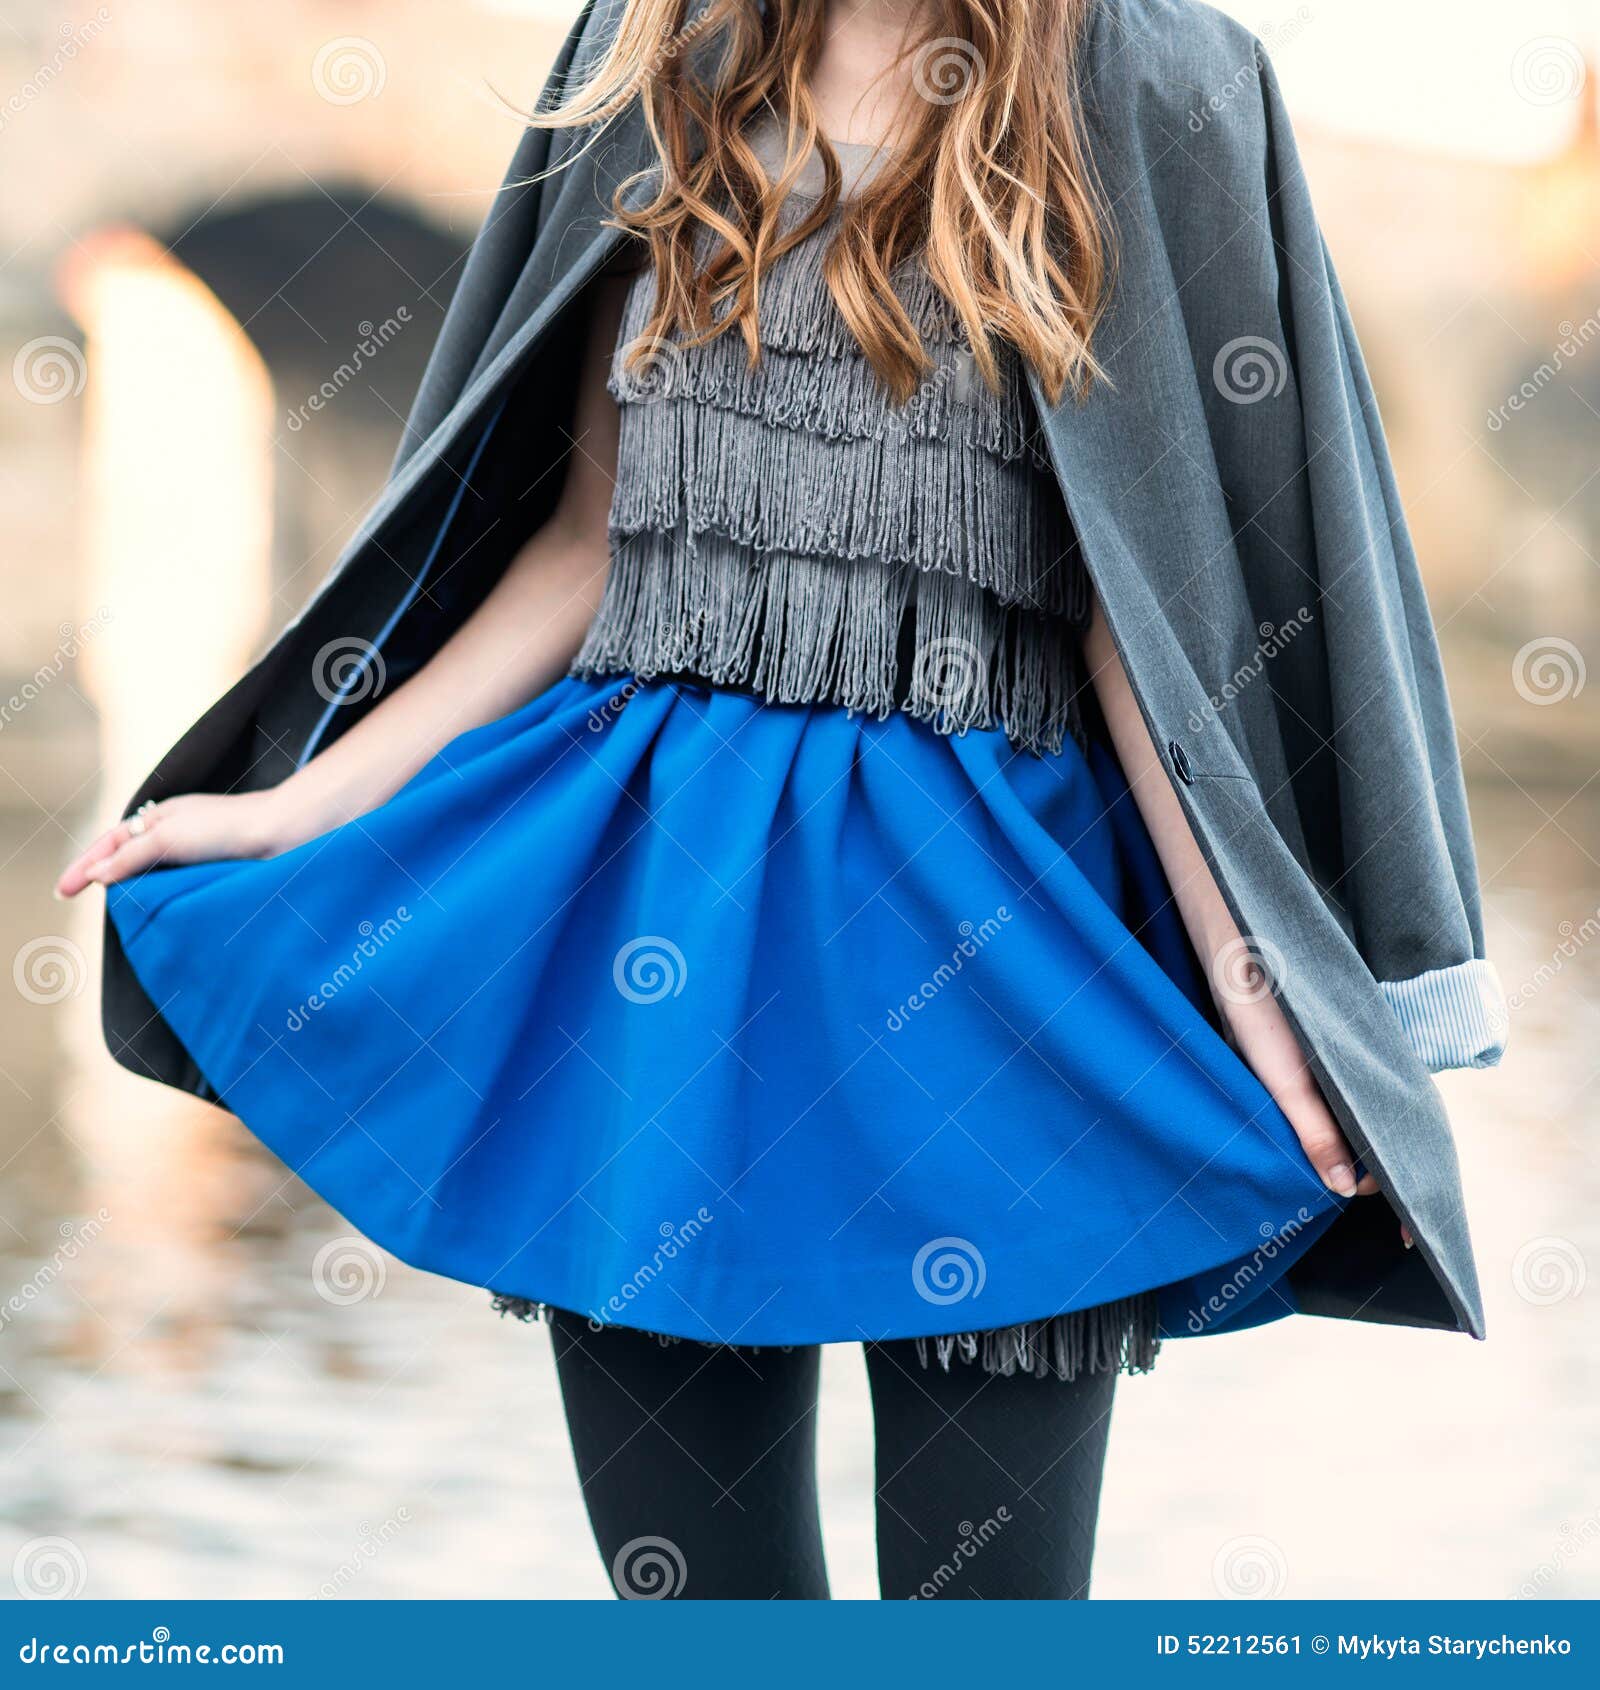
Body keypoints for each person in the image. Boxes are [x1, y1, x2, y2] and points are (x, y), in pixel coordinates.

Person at [63, 0, 1506, 1600]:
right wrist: (293, 808)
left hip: (997, 957)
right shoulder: (645, 58)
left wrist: (1257, 982)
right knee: (700, 1603)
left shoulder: (1156, 86)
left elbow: (1147, 614)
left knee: (990, 1619)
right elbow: (586, 540)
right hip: (650, 937)